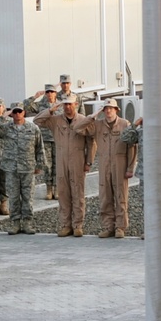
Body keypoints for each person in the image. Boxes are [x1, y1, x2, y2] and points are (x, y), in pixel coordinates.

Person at [72, 99, 136, 239]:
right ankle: (108, 226)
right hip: (104, 164)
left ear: (116, 110)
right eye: (106, 108)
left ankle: (120, 227)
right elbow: (78, 128)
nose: (108, 111)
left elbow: (132, 147)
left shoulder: (125, 124)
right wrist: (93, 116)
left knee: (121, 196)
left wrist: (130, 167)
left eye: (111, 108)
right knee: (105, 196)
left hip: (120, 163)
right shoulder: (98, 125)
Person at [34, 94, 95, 237]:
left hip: (77, 160)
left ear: (75, 104)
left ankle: (78, 225)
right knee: (63, 194)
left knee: (77, 193)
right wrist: (50, 110)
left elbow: (91, 142)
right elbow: (37, 120)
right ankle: (65, 225)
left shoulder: (82, 120)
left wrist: (89, 161)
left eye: (70, 104)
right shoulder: (55, 120)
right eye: (65, 104)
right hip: (61, 160)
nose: (68, 107)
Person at [0, 102, 44, 235]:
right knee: (14, 197)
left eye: (19, 111)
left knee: (28, 196)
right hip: (11, 168)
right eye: (14, 112)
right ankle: (15, 222)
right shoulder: (5, 128)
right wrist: (3, 116)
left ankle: (27, 222)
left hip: (28, 168)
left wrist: (39, 165)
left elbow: (39, 148)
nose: (17, 114)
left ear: (24, 112)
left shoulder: (33, 128)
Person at [23, 84, 59, 199]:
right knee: (47, 165)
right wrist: (35, 96)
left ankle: (57, 188)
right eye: (47, 92)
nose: (49, 94)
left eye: (52, 92)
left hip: (58, 138)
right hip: (45, 138)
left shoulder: (61, 105)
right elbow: (26, 106)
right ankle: (49, 189)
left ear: (55, 93)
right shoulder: (40, 105)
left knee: (57, 164)